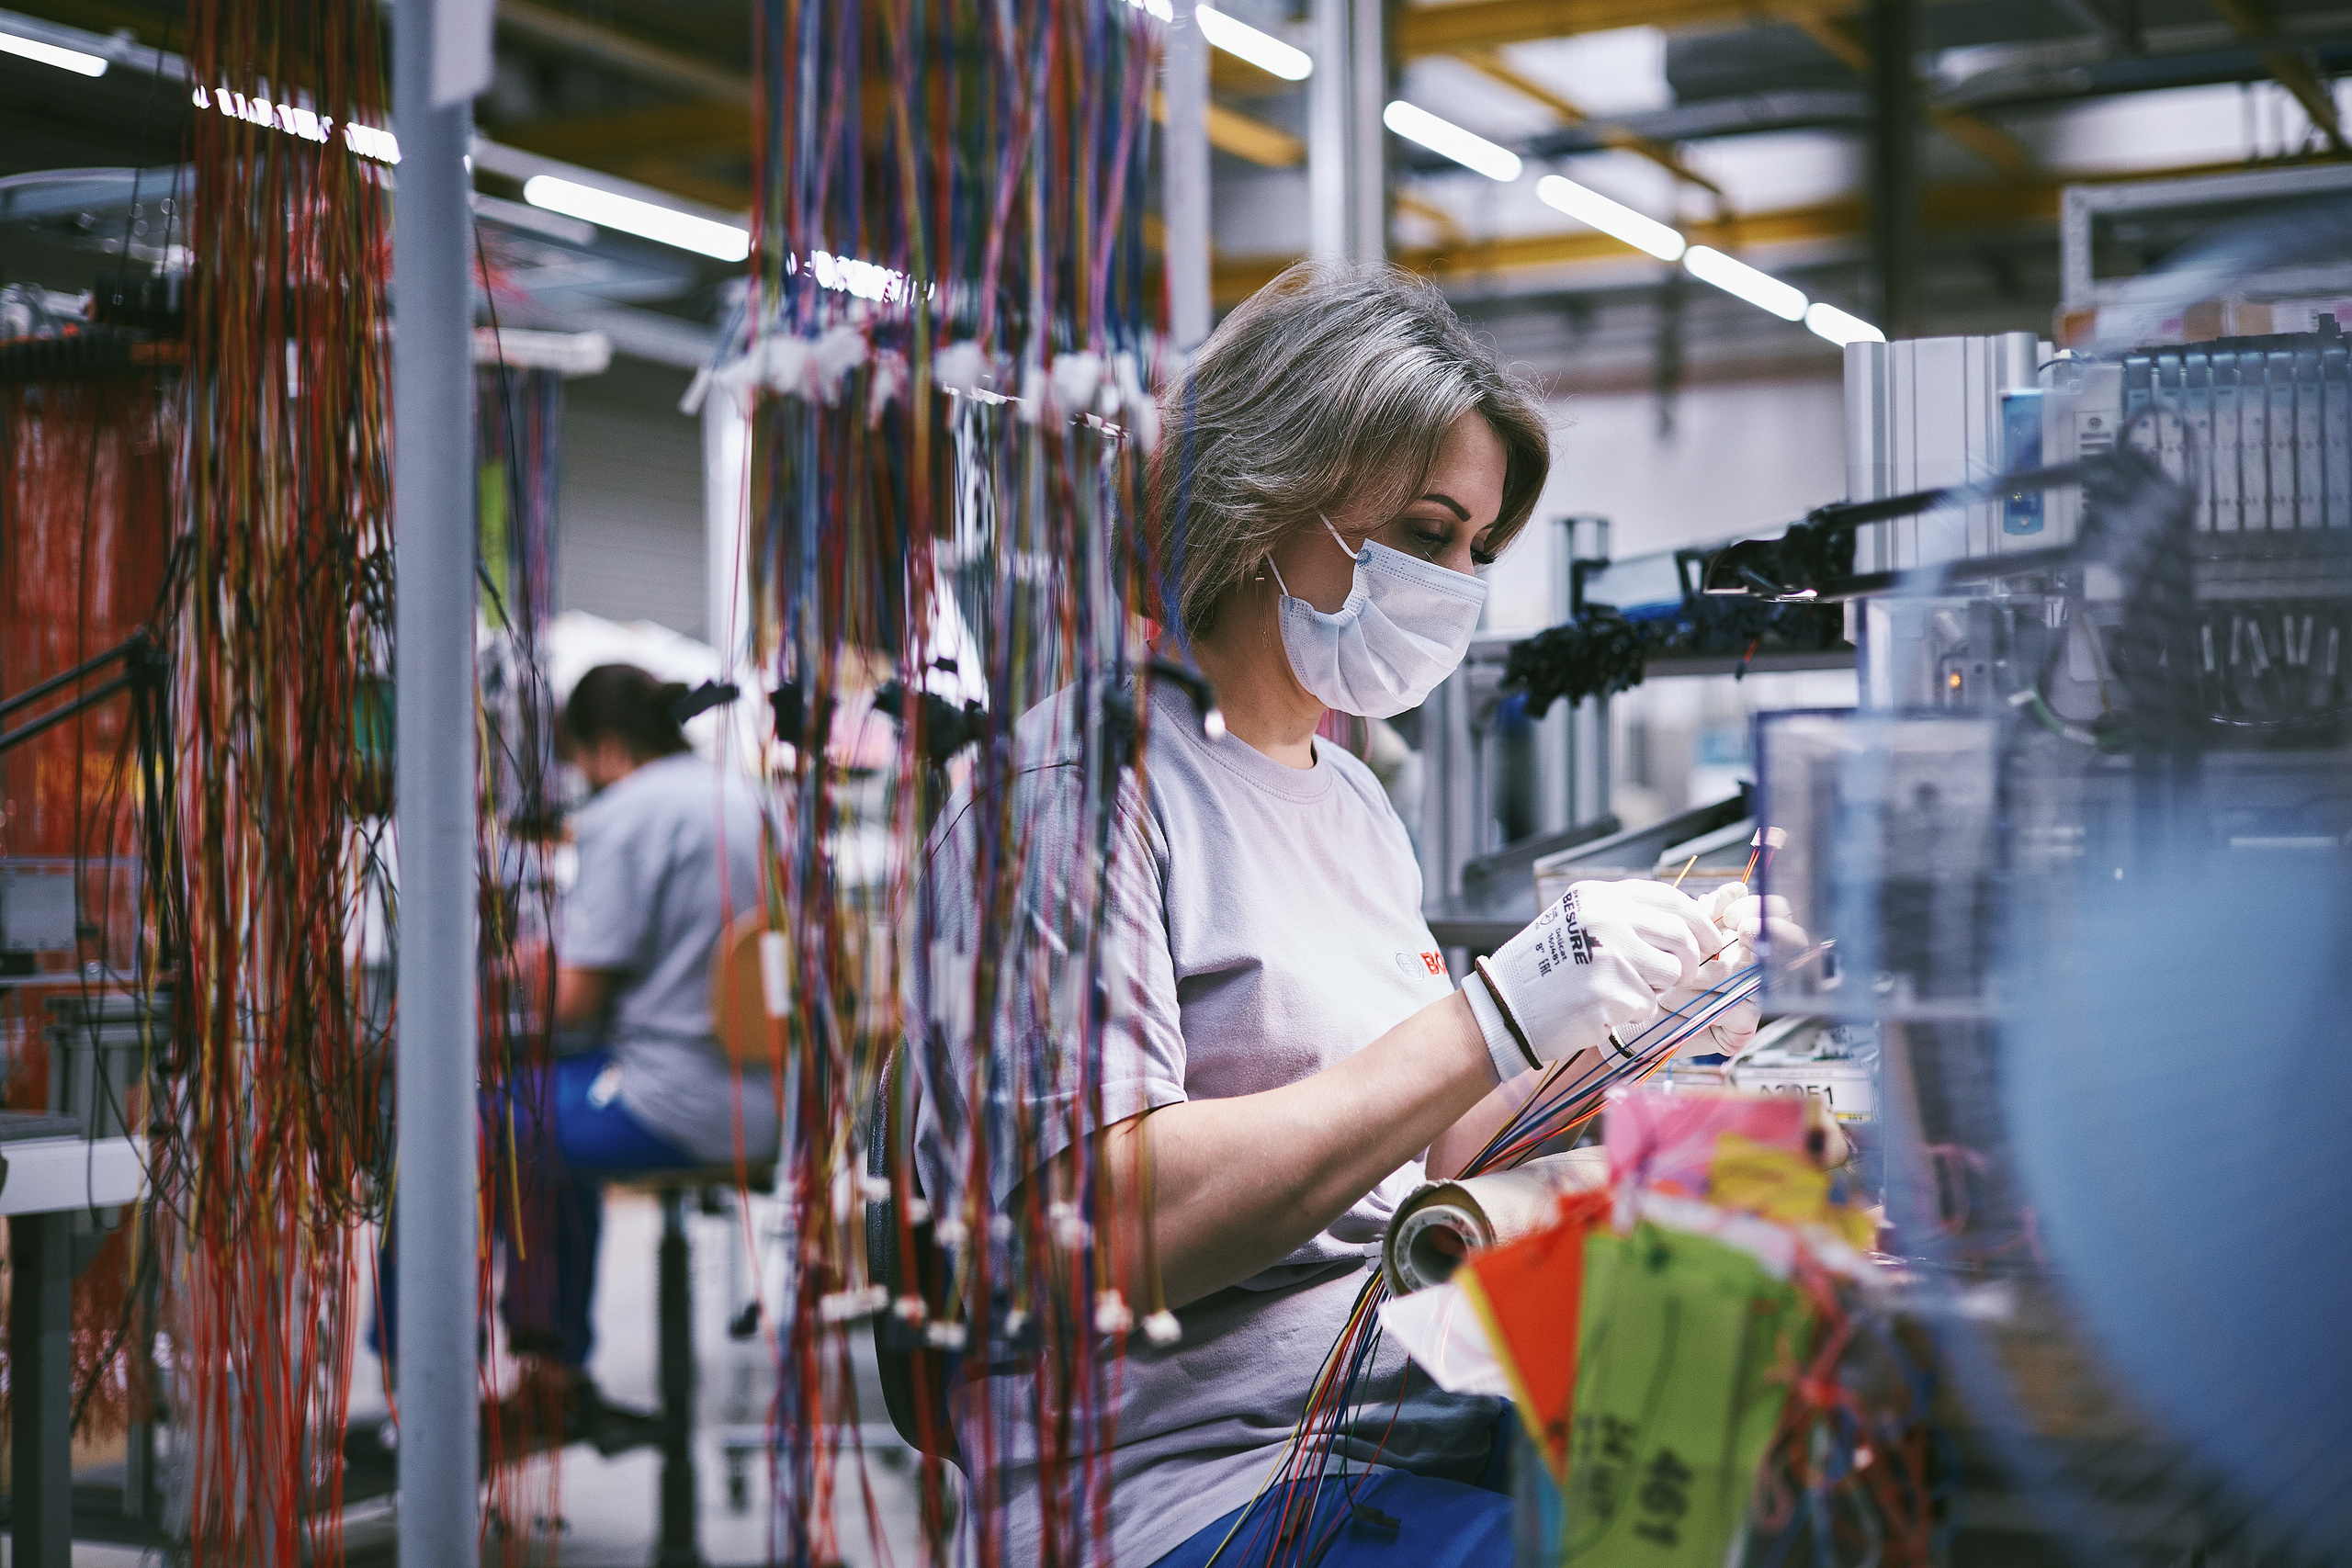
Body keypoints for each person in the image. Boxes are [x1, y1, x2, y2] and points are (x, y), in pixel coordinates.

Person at [912, 262, 1790, 1566]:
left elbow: (1428, 1151)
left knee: (1793, 1466)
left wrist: (1628, 1034)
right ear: (1274, 491)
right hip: (1194, 1482)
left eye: (1478, 550)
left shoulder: (1352, 801)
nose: (1458, 581)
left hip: (1408, 1408)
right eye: (1430, 533)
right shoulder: (1072, 796)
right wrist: (1496, 1011)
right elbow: (1095, 1236)